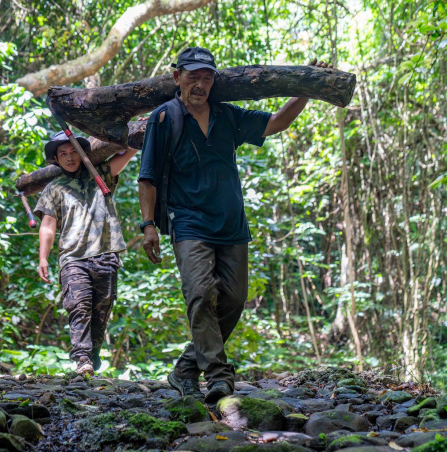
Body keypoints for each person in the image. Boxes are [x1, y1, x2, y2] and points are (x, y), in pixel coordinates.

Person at [137, 47, 332, 402]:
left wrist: (306, 88)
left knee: (234, 300)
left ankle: (185, 368)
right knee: (200, 294)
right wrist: (148, 224)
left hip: (231, 224)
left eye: (207, 77)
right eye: (193, 76)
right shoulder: (164, 118)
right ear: (177, 77)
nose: (200, 84)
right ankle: (218, 377)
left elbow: (277, 123)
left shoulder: (227, 116)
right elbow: (147, 176)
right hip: (188, 222)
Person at [34, 131, 138, 376]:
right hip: (73, 258)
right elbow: (48, 225)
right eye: (63, 153)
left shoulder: (100, 175)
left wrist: (140, 134)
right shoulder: (54, 188)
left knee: (101, 312)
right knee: (79, 306)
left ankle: (92, 354)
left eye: (74, 152)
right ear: (56, 159)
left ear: (81, 154)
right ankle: (82, 357)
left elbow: (127, 154)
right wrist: (43, 258)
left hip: (106, 255)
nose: (69, 157)